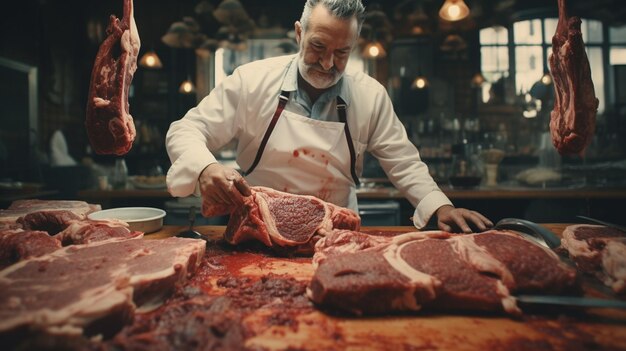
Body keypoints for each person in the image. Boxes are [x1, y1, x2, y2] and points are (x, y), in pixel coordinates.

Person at [166, 0, 493, 233]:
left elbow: (404, 162)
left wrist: (440, 206)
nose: (327, 64)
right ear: (299, 34)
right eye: (318, 47)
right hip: (257, 230)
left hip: (335, 234)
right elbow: (186, 130)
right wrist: (205, 167)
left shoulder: (370, 95)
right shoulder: (251, 81)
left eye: (341, 53)